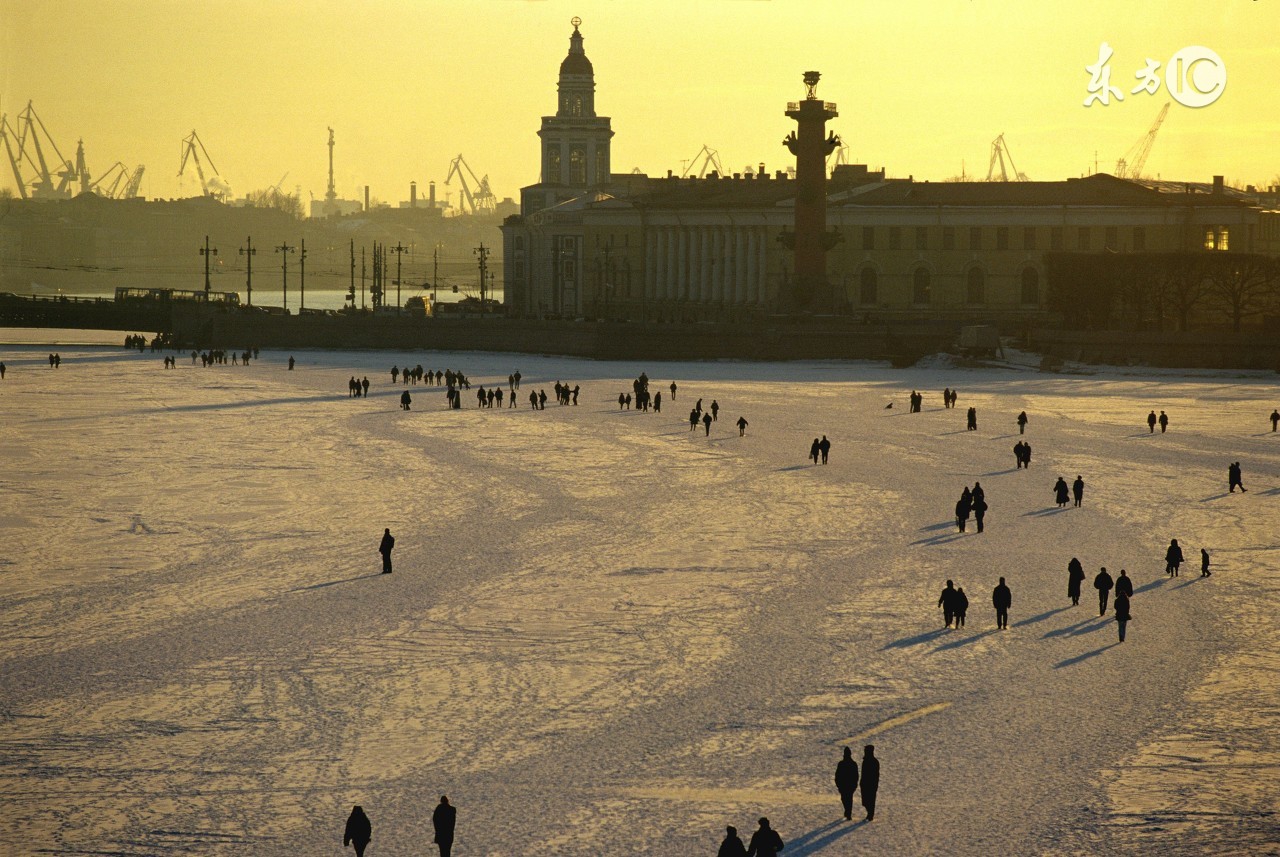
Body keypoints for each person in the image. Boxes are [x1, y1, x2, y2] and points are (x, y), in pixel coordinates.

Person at [835, 746, 859, 820]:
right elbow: (837, 774)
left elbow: (856, 775)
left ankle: (848, 813)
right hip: (844, 785)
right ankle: (847, 811)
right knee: (845, 799)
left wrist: (854, 784)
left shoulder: (851, 764)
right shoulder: (842, 764)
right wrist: (838, 784)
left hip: (848, 785)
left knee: (848, 798)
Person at [860, 746, 880, 821]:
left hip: (871, 784)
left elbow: (876, 775)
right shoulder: (865, 761)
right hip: (864, 784)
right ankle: (869, 813)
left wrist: (875, 784)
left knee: (870, 800)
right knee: (865, 801)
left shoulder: (874, 762)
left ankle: (870, 815)